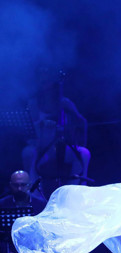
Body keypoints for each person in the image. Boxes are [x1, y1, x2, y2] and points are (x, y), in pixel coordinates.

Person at [21, 67, 91, 198]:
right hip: (42, 144)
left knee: (84, 153)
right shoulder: (33, 103)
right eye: (42, 79)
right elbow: (31, 128)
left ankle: (76, 189)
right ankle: (33, 193)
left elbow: (82, 122)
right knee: (28, 152)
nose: (45, 83)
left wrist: (73, 115)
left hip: (60, 145)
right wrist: (43, 127)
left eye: (47, 79)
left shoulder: (63, 101)